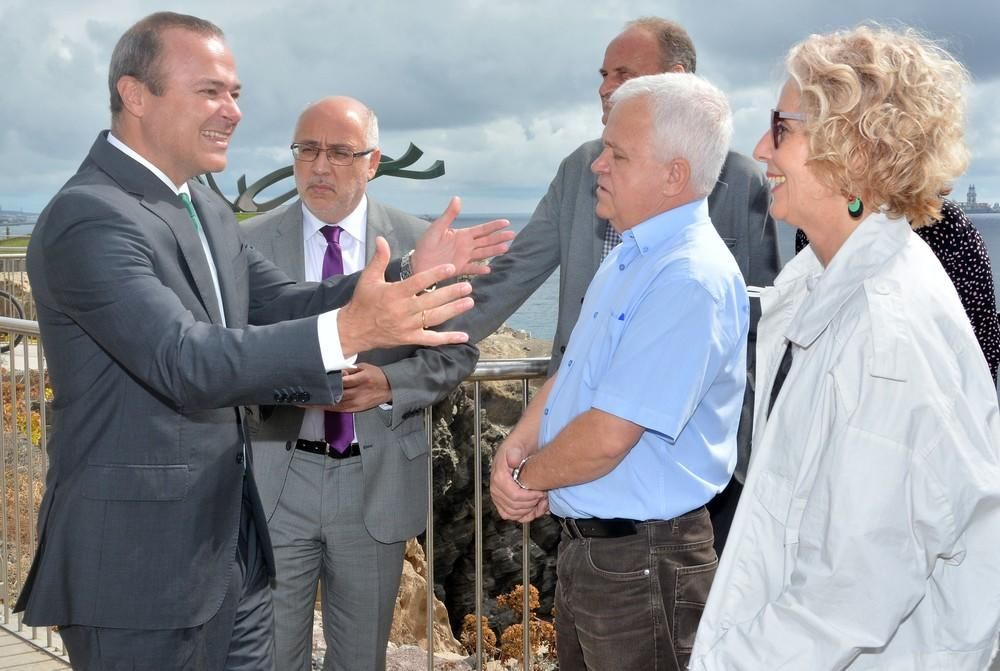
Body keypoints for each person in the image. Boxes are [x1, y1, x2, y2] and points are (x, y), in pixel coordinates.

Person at [13, 12, 511, 671]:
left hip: (234, 559)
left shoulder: (207, 209)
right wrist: (352, 331)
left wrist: (405, 273)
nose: (233, 112)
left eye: (237, 94)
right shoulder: (89, 217)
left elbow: (283, 302)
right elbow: (185, 360)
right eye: (211, 92)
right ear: (137, 95)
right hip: (137, 572)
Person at [690, 26, 1000, 670]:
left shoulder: (887, 335)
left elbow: (845, 597)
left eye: (782, 128)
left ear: (852, 148)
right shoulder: (827, 289)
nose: (758, 149)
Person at [466, 17, 779, 551]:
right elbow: (509, 278)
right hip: (578, 484)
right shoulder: (584, 176)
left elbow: (761, 329)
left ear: (676, 81)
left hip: (674, 494)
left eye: (624, 74)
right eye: (604, 73)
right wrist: (410, 339)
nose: (606, 87)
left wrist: (746, 459)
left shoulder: (737, 190)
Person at [490, 73, 748, 671]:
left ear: (674, 175)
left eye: (617, 154)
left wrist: (525, 478)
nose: (597, 165)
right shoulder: (630, 255)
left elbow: (609, 436)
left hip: (645, 564)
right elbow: (572, 375)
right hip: (604, 555)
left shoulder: (689, 278)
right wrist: (519, 445)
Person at [242, 96, 477, 671]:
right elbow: (229, 350)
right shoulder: (244, 242)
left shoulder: (420, 244)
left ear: (373, 162)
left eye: (341, 153)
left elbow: (459, 352)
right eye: (307, 150)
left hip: (375, 481)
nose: (320, 166)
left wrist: (389, 382)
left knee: (359, 660)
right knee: (268, 656)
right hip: (276, 474)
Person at [795, 199, 1000, 381]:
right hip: (836, 400)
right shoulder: (814, 227)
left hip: (924, 406)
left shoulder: (946, 225)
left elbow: (980, 342)